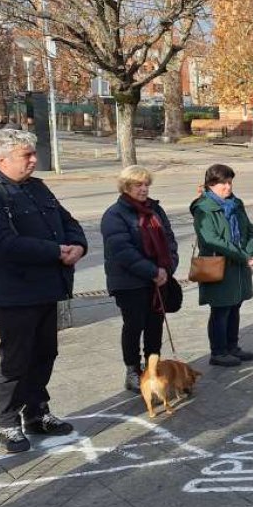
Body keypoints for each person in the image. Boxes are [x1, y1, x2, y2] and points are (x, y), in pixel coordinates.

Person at [0, 129, 86, 453]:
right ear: (2, 159)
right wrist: (55, 251)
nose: (34, 160)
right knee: (16, 359)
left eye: (32, 153)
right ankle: (8, 421)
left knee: (44, 353)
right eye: (26, 155)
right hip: (14, 292)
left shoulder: (37, 187)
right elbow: (1, 244)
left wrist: (78, 246)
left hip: (46, 287)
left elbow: (67, 221)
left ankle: (37, 412)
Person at [101, 165, 180, 392]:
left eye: (146, 184)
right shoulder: (114, 215)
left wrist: (168, 268)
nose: (144, 189)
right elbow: (123, 251)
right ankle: (132, 370)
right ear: (126, 187)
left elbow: (170, 240)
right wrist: (152, 271)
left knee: (155, 325)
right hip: (129, 282)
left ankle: (152, 367)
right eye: (138, 185)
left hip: (159, 279)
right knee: (134, 325)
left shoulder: (156, 210)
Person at [191, 164, 253, 367]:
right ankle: (218, 351)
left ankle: (232, 346)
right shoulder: (204, 208)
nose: (228, 187)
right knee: (221, 309)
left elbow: (248, 229)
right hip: (217, 263)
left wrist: (251, 251)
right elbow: (211, 238)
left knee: (235, 305)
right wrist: (241, 255)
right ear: (211, 184)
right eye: (223, 183)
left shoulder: (236, 204)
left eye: (230, 182)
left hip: (238, 264)